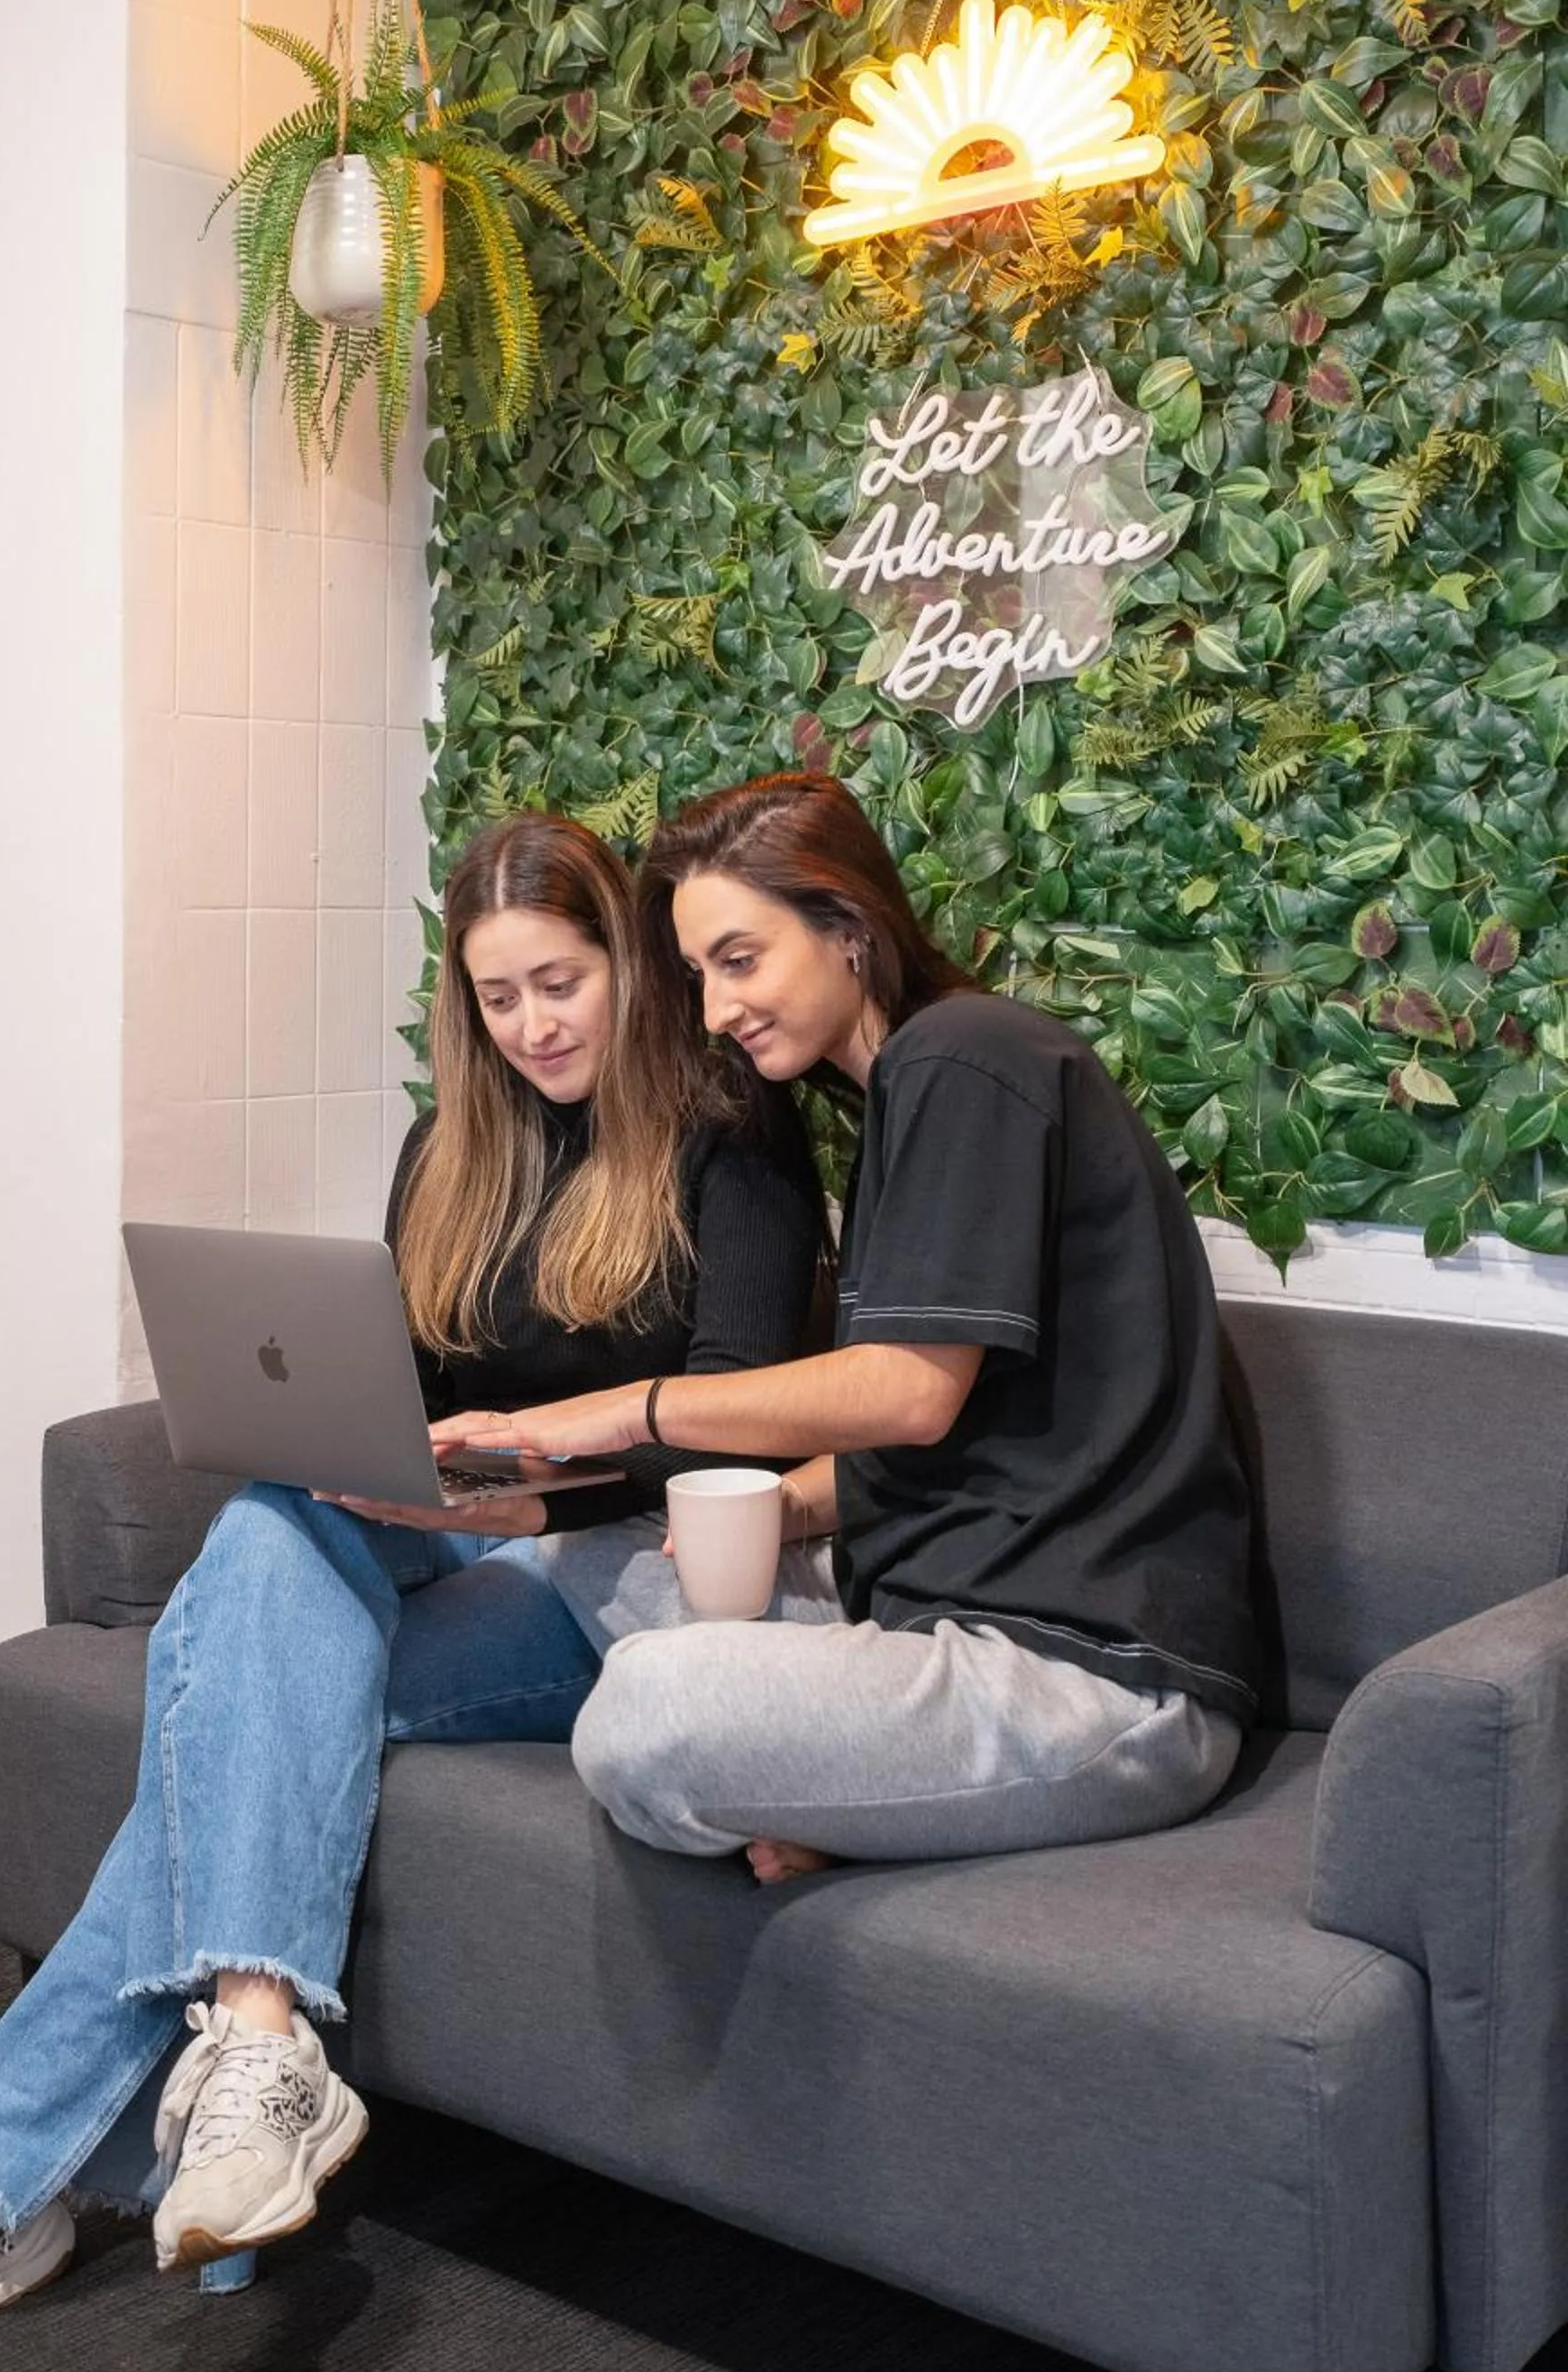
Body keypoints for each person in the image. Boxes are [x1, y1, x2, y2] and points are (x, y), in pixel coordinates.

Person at [0, 813, 823, 2372]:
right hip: (456, 1528)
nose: (536, 1024)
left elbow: (731, 1422)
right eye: (498, 996)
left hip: (616, 1569)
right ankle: (261, 2045)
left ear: (627, 962)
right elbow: (400, 1391)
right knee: (274, 1529)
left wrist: (527, 1483)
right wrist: (368, 1454)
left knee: (231, 1698)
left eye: (563, 980)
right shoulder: (449, 1150)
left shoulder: (730, 1139)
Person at [462, 772, 1259, 1888]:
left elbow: (907, 1391)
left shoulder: (966, 1057)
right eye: (696, 976)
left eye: (739, 961)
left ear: (845, 928)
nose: (713, 1012)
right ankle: (837, 1785)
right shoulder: (904, 1097)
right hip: (925, 1608)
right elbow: (960, 1424)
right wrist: (781, 1505)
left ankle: (832, 1791)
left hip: (1095, 1677)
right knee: (591, 1551)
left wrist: (620, 1413)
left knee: (642, 1715)